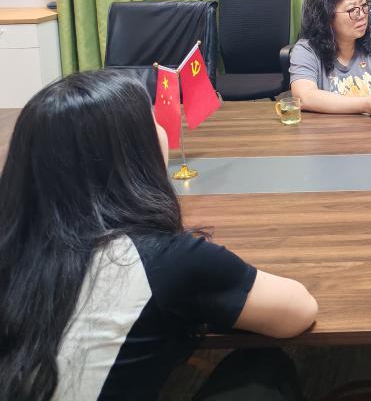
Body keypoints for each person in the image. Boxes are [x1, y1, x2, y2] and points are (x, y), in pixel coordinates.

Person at [0, 70, 318, 400]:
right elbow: (298, 311)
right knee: (263, 368)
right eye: (154, 119)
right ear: (135, 151)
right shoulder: (165, 260)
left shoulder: (14, 242)